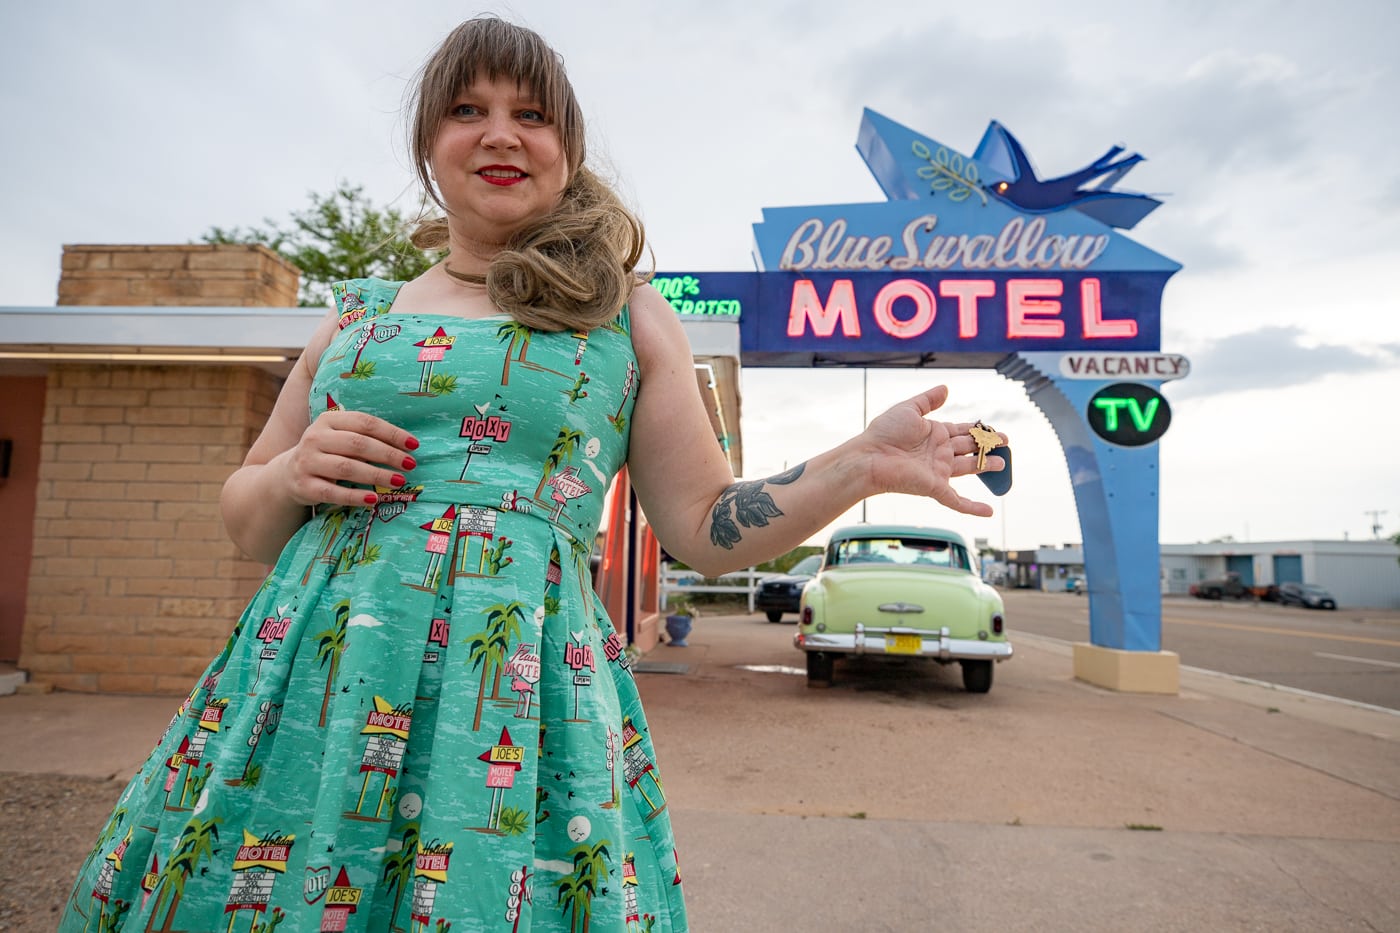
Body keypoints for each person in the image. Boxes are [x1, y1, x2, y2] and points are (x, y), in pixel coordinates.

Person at [59, 16, 1005, 932]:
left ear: (567, 145)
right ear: (430, 145)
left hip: (517, 697)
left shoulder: (627, 315)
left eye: (533, 113)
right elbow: (247, 518)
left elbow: (707, 525)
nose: (501, 133)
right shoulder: (358, 315)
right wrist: (289, 475)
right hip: (319, 689)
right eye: (467, 110)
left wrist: (862, 462)